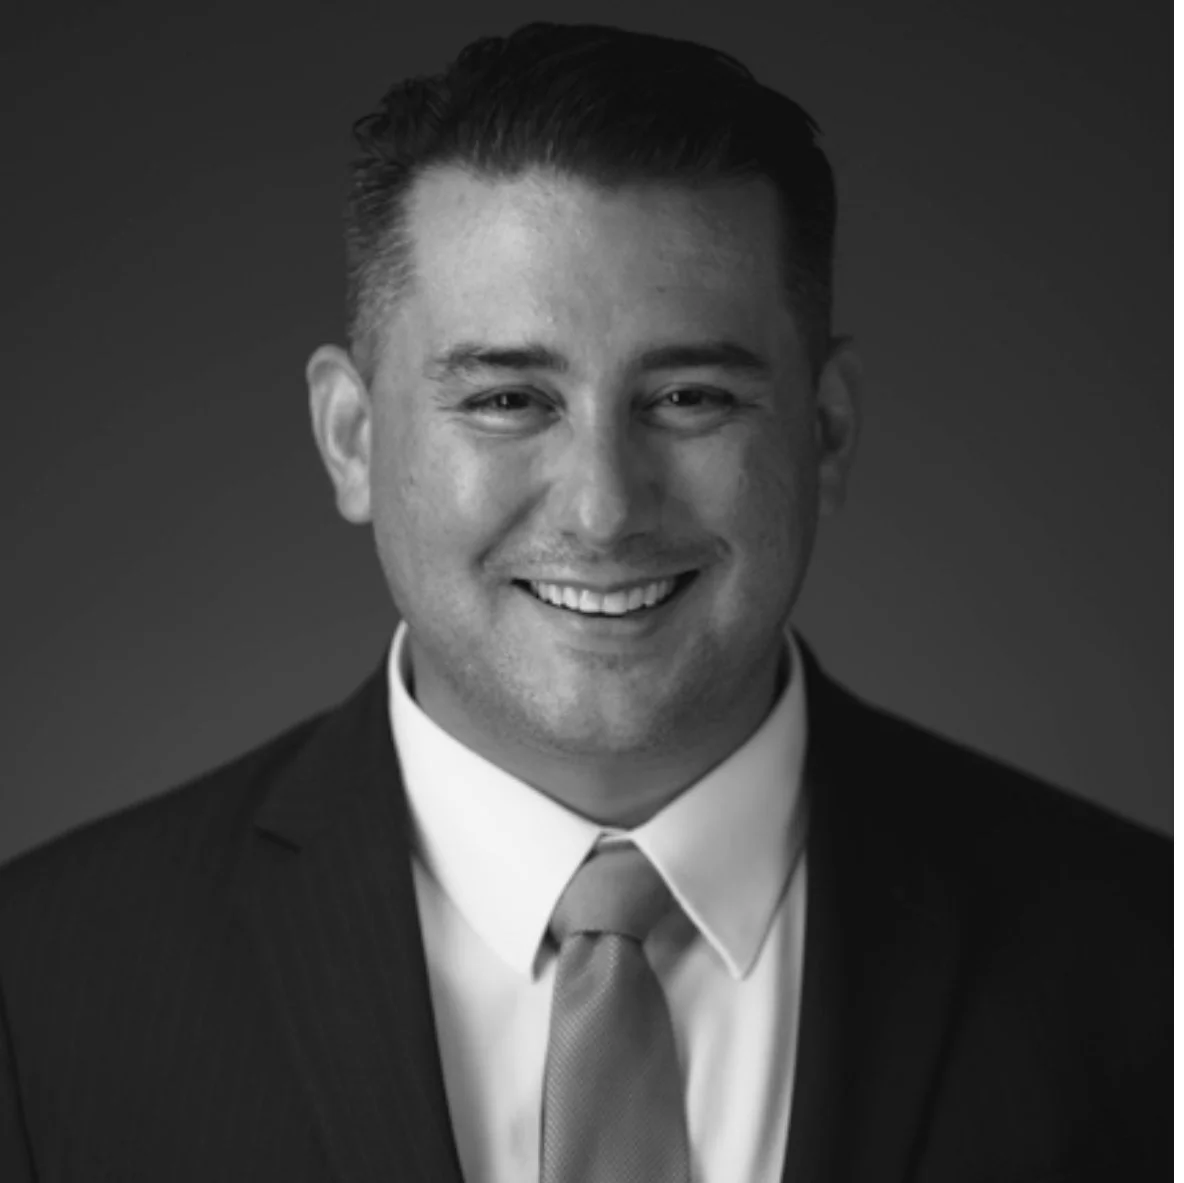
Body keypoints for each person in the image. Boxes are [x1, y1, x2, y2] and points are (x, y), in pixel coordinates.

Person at [0, 20, 1169, 1183]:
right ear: (351, 439)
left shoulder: (1140, 963)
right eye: (509, 399)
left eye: (688, 396)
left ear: (825, 431)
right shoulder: (42, 986)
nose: (605, 509)